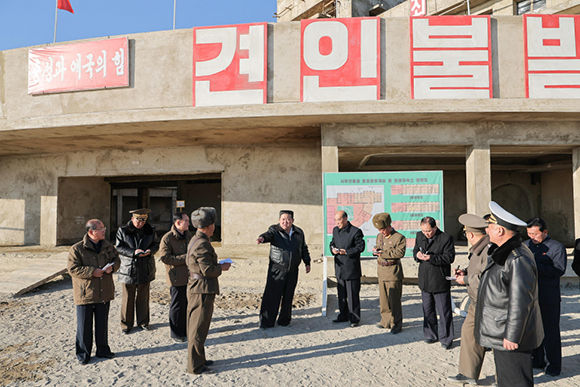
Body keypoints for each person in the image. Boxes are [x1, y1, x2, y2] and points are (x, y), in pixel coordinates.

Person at [475, 201, 544, 387]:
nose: (487, 231)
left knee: (516, 381)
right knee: (506, 381)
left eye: (489, 227)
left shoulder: (517, 258)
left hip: (511, 335)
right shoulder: (502, 253)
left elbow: (520, 301)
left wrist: (512, 335)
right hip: (501, 330)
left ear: (500, 230)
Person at [67, 219, 120, 365]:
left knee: (102, 324)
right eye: (101, 228)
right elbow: (72, 269)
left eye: (104, 228)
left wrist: (112, 267)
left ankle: (103, 350)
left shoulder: (108, 246)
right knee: (84, 326)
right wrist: (92, 272)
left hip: (104, 291)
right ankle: (83, 354)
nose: (104, 230)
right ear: (91, 232)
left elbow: (117, 260)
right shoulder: (77, 249)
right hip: (85, 294)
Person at [447, 214, 492, 385]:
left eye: (466, 233)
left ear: (470, 234)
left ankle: (506, 376)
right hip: (475, 302)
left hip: (486, 303)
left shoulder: (488, 249)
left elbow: (486, 278)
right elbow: (476, 270)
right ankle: (468, 374)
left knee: (494, 341)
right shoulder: (478, 248)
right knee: (468, 334)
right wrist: (465, 272)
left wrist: (465, 280)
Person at [186, 207, 230, 375]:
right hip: (201, 290)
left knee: (200, 327)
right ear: (209, 226)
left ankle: (200, 359)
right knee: (198, 328)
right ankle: (195, 366)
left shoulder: (196, 239)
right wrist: (221, 267)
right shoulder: (202, 243)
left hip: (199, 288)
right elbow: (207, 270)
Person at [524, 217, 567, 376]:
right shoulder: (526, 245)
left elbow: (558, 270)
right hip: (530, 295)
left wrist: (535, 267)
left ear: (545, 232)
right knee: (534, 330)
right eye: (529, 233)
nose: (532, 237)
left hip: (549, 297)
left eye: (535, 234)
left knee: (550, 332)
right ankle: (537, 360)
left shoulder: (557, 247)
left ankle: (553, 365)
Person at [257, 210, 311, 328]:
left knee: (288, 296)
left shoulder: (299, 232)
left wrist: (307, 262)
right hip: (277, 269)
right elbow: (267, 235)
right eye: (283, 219)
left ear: (292, 221)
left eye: (288, 219)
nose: (285, 222)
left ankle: (284, 320)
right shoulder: (275, 230)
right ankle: (266, 322)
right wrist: (262, 238)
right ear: (279, 220)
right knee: (271, 296)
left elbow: (303, 248)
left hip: (293, 270)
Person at [413, 216, 455, 349]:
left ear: (435, 227)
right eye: (424, 231)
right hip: (425, 279)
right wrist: (417, 256)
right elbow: (415, 250)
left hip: (439, 279)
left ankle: (446, 338)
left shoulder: (445, 238)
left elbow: (449, 257)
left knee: (444, 311)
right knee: (428, 309)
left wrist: (431, 257)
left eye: (429, 231)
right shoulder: (419, 236)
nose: (426, 233)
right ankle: (430, 334)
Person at [116, 208, 159, 334]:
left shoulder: (151, 230)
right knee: (127, 298)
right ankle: (126, 324)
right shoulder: (123, 231)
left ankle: (143, 322)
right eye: (138, 220)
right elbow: (119, 247)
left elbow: (156, 244)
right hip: (129, 268)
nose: (141, 223)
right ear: (132, 219)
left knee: (143, 297)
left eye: (143, 220)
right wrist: (133, 252)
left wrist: (151, 251)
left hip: (145, 267)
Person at [160, 212, 193, 343]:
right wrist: (185, 258)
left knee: (187, 304)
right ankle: (175, 333)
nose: (189, 223)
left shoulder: (188, 235)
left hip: (189, 276)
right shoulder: (167, 238)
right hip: (176, 277)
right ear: (178, 223)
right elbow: (165, 258)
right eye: (186, 221)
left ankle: (185, 330)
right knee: (177, 306)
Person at [371, 212, 406, 333]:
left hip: (393, 272)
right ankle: (385, 321)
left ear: (389, 226)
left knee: (394, 300)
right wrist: (375, 250)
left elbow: (399, 253)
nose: (382, 232)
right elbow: (379, 247)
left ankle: (396, 324)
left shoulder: (399, 237)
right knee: (383, 299)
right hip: (381, 270)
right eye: (379, 230)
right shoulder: (379, 236)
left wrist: (382, 253)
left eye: (383, 229)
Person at [330, 210, 365, 327]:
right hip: (339, 267)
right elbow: (332, 243)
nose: (337, 222)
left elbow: (361, 247)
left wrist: (347, 252)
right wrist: (333, 250)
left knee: (352, 295)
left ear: (345, 219)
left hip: (351, 268)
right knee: (341, 294)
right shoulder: (335, 230)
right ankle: (343, 315)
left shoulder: (356, 231)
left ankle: (354, 318)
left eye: (339, 219)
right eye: (335, 220)